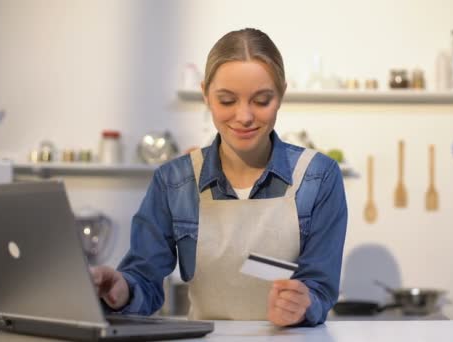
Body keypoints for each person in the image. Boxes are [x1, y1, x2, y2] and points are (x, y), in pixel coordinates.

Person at [90, 28, 347, 327]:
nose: (244, 116)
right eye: (227, 101)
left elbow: (320, 287)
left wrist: (304, 304)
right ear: (205, 94)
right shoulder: (174, 182)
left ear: (281, 94)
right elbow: (144, 281)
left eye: (262, 100)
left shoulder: (318, 177)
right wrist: (120, 291)